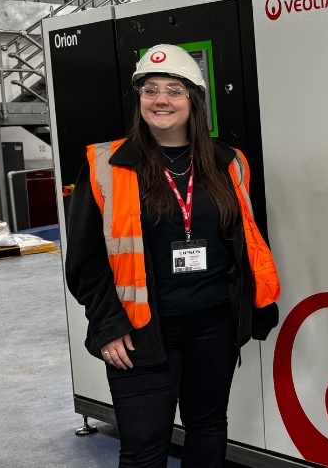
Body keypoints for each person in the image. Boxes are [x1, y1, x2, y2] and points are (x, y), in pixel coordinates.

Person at [65, 43, 281, 467]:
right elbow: (86, 260)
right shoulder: (105, 163)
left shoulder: (229, 162)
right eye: (150, 89)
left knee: (207, 427)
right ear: (139, 99)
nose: (161, 99)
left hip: (213, 322)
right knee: (144, 448)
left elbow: (245, 240)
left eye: (174, 90)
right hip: (140, 329)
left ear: (194, 100)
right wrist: (108, 325)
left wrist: (251, 306)